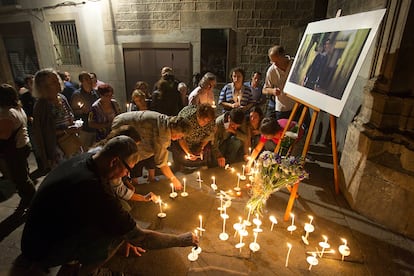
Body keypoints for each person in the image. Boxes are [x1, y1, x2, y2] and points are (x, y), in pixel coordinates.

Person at [21, 136, 197, 275]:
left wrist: (124, 229)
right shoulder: (93, 189)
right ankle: (84, 270)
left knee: (121, 213)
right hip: (43, 249)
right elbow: (141, 237)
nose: (127, 174)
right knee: (113, 234)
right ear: (114, 161)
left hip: (42, 230)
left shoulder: (88, 159)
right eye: (128, 170)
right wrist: (181, 240)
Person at [112, 110, 190, 190]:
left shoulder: (164, 121)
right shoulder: (163, 135)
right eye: (180, 135)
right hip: (123, 128)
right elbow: (161, 162)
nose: (179, 138)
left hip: (121, 120)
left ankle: (124, 183)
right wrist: (173, 179)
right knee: (126, 156)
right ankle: (120, 186)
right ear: (174, 129)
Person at [32, 68, 82, 170]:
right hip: (58, 149)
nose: (59, 83)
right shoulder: (42, 105)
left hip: (72, 143)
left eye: (58, 80)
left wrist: (75, 125)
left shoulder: (62, 98)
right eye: (53, 82)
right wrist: (66, 131)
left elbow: (69, 117)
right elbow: (43, 133)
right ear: (44, 87)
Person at [0, 84, 36, 213]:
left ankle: (34, 202)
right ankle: (27, 199)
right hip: (23, 144)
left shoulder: (7, 113)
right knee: (23, 174)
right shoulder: (17, 108)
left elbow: (5, 135)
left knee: (21, 179)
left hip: (15, 149)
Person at [170, 104, 216, 171]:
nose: (205, 123)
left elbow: (209, 136)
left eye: (207, 121)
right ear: (198, 116)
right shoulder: (187, 119)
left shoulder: (211, 121)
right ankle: (180, 167)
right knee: (181, 154)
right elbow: (180, 138)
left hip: (199, 141)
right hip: (183, 140)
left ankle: (202, 165)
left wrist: (201, 147)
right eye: (203, 120)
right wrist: (188, 152)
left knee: (205, 153)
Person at [262, 45, 295, 119]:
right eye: (272, 62)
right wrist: (273, 91)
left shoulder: (295, 64)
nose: (275, 64)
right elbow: (264, 89)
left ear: (283, 56)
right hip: (282, 109)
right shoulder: (272, 71)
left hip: (298, 106)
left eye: (276, 61)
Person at [71, 71, 100, 150]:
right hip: (85, 129)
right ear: (82, 81)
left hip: (96, 127)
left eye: (90, 78)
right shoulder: (77, 95)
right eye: (86, 79)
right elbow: (73, 112)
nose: (89, 81)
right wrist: (82, 111)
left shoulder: (95, 93)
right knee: (86, 149)